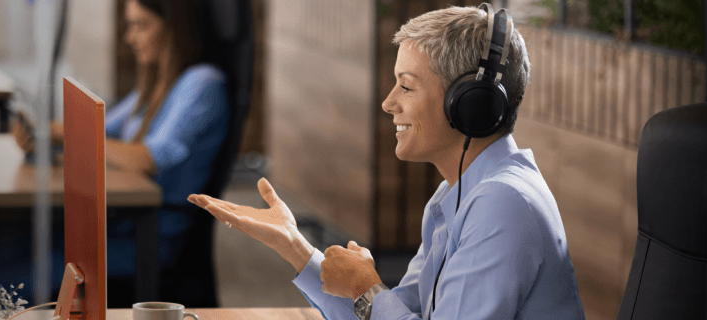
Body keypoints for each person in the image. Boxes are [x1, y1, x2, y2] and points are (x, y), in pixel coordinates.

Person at [188, 4, 581, 319]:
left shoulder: (503, 204)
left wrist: (365, 287)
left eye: (406, 86)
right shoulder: (458, 192)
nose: (388, 103)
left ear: (470, 105)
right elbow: (387, 313)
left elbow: (375, 304)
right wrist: (296, 248)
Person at [0, 0, 229, 309]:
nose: (130, 37)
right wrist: (45, 133)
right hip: (103, 223)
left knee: (4, 286)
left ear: (174, 28)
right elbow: (103, 127)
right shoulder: (152, 87)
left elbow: (149, 158)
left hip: (140, 238)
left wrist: (62, 133)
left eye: (141, 24)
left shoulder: (203, 83)